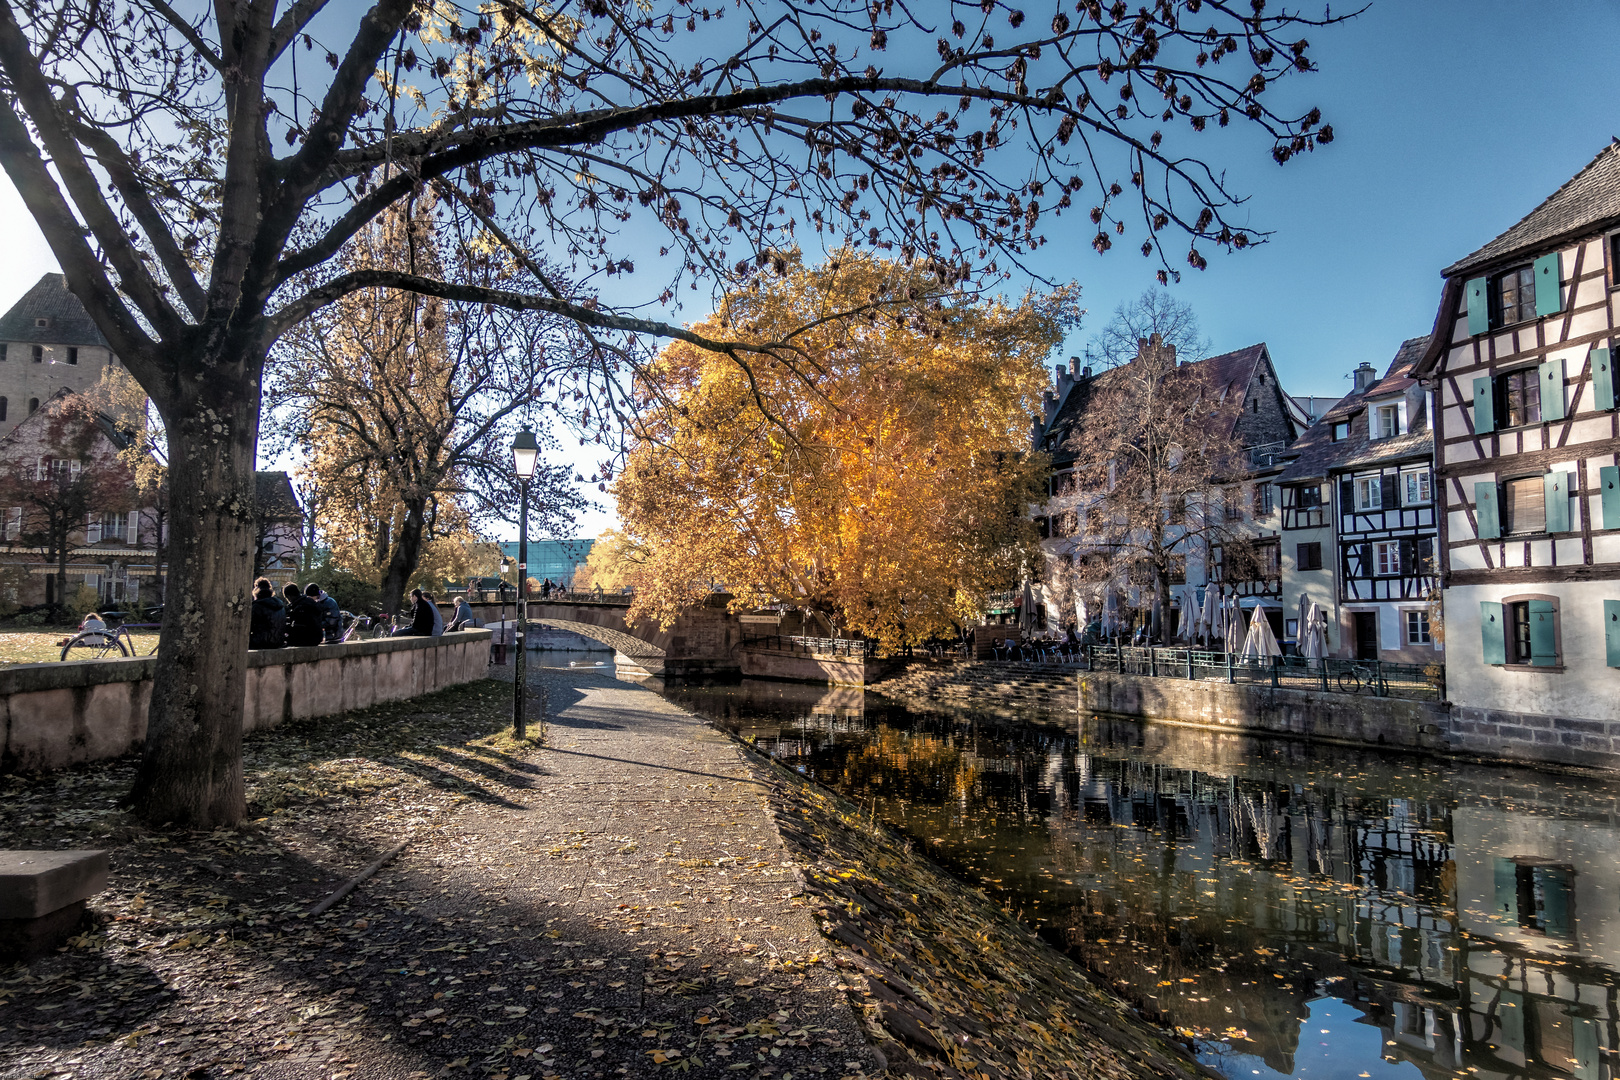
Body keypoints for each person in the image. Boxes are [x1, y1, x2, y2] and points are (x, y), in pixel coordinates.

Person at [249, 578, 286, 649]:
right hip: (278, 642)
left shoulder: (257, 606)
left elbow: (249, 626)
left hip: (261, 642)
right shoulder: (280, 605)